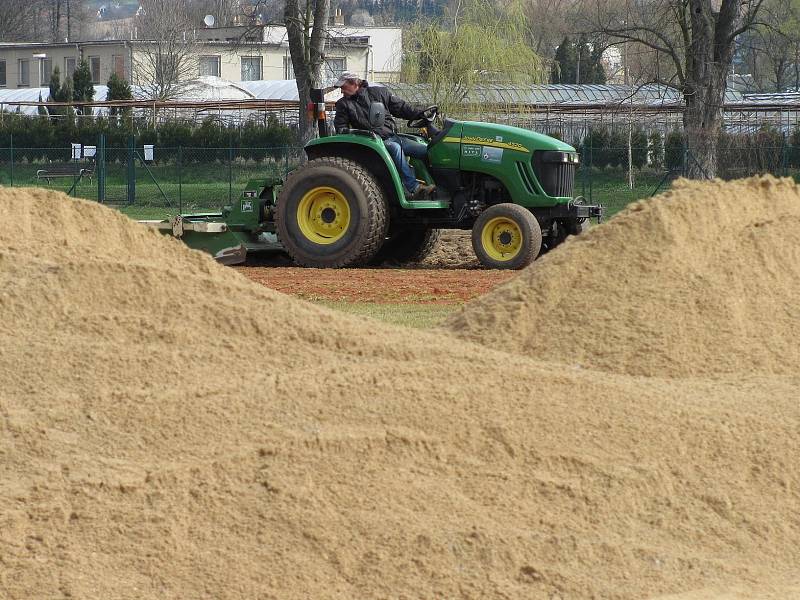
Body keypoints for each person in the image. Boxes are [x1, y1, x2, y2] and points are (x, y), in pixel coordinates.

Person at [332, 71, 436, 199]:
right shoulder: (344, 104)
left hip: (393, 137)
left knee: (428, 150)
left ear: (354, 83)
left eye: (343, 87)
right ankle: (415, 188)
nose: (342, 91)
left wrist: (419, 114)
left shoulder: (379, 93)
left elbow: (400, 107)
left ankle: (437, 186)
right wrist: (357, 133)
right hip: (374, 142)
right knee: (394, 148)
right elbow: (341, 128)